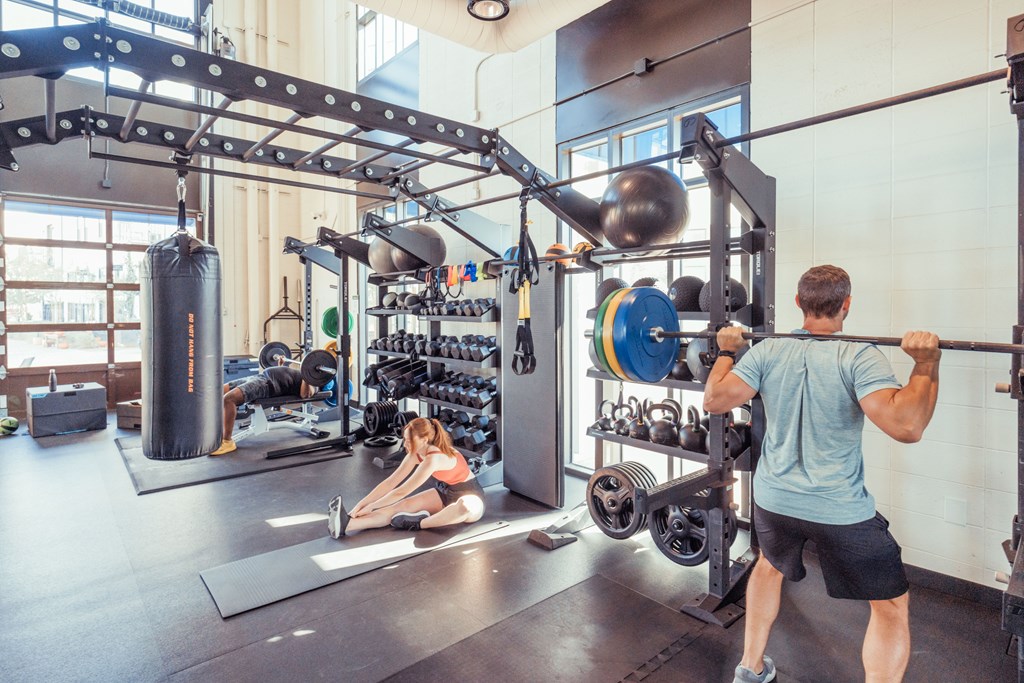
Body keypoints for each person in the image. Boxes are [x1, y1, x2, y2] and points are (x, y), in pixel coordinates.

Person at [701, 265, 941, 683]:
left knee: (767, 566)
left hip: (774, 499)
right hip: (838, 509)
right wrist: (926, 365)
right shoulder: (859, 355)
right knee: (890, 605)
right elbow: (907, 426)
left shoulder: (767, 350)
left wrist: (725, 350)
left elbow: (715, 399)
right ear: (846, 305)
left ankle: (750, 669)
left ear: (799, 304)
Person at [327, 416, 485, 537]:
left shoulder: (434, 459)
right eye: (405, 440)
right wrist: (359, 506)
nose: (405, 444)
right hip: (444, 492)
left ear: (424, 440)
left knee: (463, 508)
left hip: (471, 493)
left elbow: (402, 490)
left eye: (409, 441)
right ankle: (347, 525)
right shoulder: (416, 453)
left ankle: (421, 522)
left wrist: (373, 506)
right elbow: (390, 482)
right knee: (398, 507)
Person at [209, 355, 318, 456]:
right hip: (259, 377)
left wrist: (306, 373)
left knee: (228, 399)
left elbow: (305, 394)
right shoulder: (302, 375)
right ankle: (212, 430)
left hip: (267, 385)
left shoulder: (313, 384)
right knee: (218, 391)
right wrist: (281, 365)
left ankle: (227, 442)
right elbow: (286, 378)